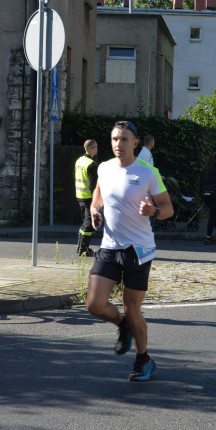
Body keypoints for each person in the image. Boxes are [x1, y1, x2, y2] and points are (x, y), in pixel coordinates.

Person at [87, 120, 173, 381]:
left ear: (135, 143)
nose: (118, 144)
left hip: (139, 249)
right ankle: (123, 325)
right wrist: (94, 210)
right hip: (110, 246)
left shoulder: (148, 172)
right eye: (114, 139)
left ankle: (143, 359)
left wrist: (154, 212)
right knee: (94, 304)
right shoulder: (104, 168)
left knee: (132, 307)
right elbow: (98, 196)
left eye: (124, 139)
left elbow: (168, 209)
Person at [74, 139, 99, 257]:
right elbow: (93, 185)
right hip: (89, 197)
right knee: (88, 224)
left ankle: (80, 248)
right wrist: (97, 200)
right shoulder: (91, 164)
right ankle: (84, 250)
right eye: (96, 147)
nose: (97, 150)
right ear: (92, 149)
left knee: (85, 222)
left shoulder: (79, 161)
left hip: (80, 196)